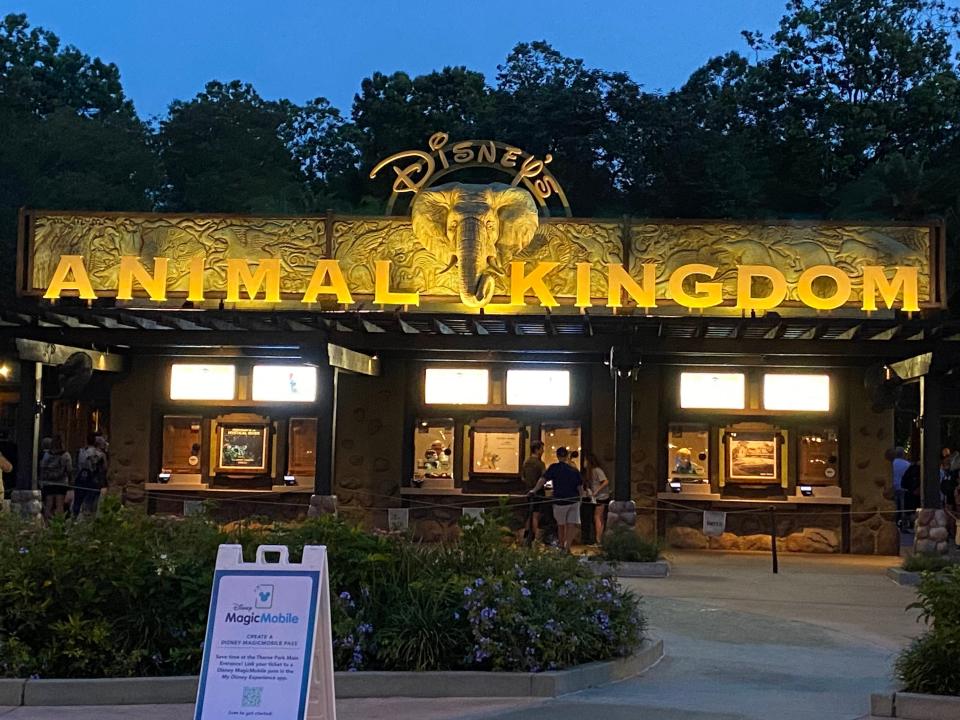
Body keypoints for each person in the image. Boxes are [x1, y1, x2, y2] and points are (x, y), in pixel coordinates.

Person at [529, 446, 582, 552]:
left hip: (560, 500)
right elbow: (580, 487)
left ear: (557, 456)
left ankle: (562, 545)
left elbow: (542, 480)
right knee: (571, 524)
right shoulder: (574, 470)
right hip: (573, 500)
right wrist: (581, 499)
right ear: (567, 456)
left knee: (561, 525)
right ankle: (567, 547)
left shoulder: (554, 468)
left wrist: (533, 490)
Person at [39, 436, 71, 519]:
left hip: (48, 482)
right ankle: (58, 524)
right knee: (59, 504)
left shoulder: (47, 455)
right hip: (61, 482)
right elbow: (69, 469)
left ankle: (46, 524)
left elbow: (42, 467)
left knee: (48, 504)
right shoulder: (66, 455)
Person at [74, 433, 106, 516]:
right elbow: (103, 467)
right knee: (90, 501)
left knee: (78, 500)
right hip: (92, 479)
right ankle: (88, 517)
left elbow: (76, 465)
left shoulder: (80, 451)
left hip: (80, 477)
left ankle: (75, 516)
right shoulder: (99, 454)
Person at [521, 441, 546, 543]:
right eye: (541, 448)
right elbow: (544, 477)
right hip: (538, 491)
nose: (543, 451)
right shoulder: (540, 464)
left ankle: (526, 535)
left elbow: (522, 477)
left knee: (529, 513)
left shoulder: (526, 462)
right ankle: (535, 538)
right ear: (537, 449)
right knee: (536, 515)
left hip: (527, 490)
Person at [582, 453, 610, 545]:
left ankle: (598, 539)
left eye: (585, 460)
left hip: (601, 497)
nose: (584, 462)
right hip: (596, 497)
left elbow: (605, 481)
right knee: (598, 517)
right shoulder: (590, 472)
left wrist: (597, 491)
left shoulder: (597, 470)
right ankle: (598, 538)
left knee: (597, 517)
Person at [886, 447, 912, 531]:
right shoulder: (907, 464)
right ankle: (903, 526)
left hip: (893, 487)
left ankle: (893, 525)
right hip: (903, 488)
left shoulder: (891, 464)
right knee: (904, 507)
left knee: (894, 507)